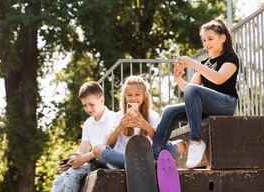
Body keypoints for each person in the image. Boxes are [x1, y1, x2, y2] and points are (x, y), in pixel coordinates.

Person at [23, 81, 115, 192]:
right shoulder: (88, 123)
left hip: (107, 164)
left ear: (102, 100)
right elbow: (82, 152)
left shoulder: (112, 118)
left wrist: (81, 161)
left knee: (73, 174)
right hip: (91, 162)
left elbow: (106, 149)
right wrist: (72, 161)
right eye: (85, 105)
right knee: (59, 179)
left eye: (92, 104)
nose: (88, 109)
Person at [152, 15, 239, 168]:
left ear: (223, 38)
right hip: (206, 108)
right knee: (169, 111)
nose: (206, 43)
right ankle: (155, 155)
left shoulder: (231, 58)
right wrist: (178, 78)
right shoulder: (205, 63)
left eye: (210, 39)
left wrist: (194, 64)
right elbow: (189, 91)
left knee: (193, 91)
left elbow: (219, 79)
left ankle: (196, 142)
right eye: (204, 40)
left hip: (226, 105)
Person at [93, 75, 160, 169]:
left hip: (145, 157)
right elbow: (109, 145)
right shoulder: (118, 116)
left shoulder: (153, 116)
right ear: (124, 97)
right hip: (123, 159)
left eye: (137, 94)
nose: (133, 99)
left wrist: (146, 126)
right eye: (129, 95)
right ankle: (138, 165)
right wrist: (120, 127)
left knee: (179, 145)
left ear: (144, 95)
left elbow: (159, 143)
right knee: (97, 149)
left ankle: (137, 165)